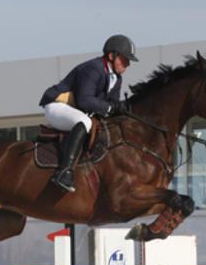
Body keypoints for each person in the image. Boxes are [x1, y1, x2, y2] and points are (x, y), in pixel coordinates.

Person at [39, 34, 138, 192]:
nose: (127, 64)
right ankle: (64, 172)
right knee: (84, 122)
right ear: (112, 55)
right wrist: (111, 108)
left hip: (76, 109)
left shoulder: (117, 78)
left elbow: (111, 105)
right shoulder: (94, 68)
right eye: (125, 59)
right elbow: (85, 100)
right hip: (57, 105)